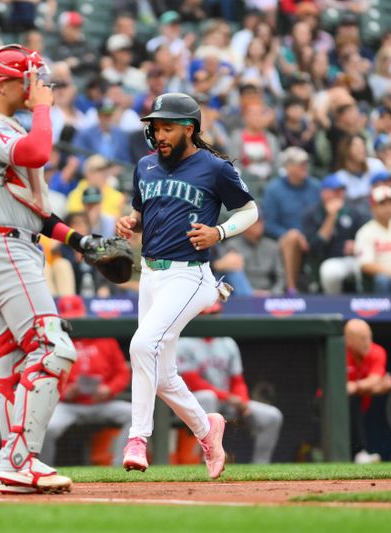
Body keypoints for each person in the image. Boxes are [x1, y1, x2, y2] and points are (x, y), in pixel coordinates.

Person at [0, 44, 105, 494]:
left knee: (14, 366)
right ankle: (20, 459)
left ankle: (15, 465)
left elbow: (35, 213)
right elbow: (38, 152)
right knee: (54, 349)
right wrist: (45, 109)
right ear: (2, 85)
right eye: (27, 77)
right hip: (4, 249)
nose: (35, 84)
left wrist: (79, 241)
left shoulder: (4, 127)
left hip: (12, 245)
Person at [115, 92, 259, 478]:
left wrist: (220, 231)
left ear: (189, 129)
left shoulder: (214, 168)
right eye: (155, 127)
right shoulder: (145, 165)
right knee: (160, 374)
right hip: (151, 274)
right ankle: (206, 429)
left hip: (190, 274)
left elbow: (250, 209)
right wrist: (129, 223)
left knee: (143, 345)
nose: (158, 134)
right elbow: (140, 210)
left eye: (166, 127)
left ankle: (137, 438)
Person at [177, 312, 283, 464]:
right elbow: (193, 382)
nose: (213, 318)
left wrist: (243, 401)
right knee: (208, 396)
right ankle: (211, 453)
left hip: (227, 403)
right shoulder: (184, 342)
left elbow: (237, 381)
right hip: (195, 403)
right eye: (208, 314)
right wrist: (228, 397)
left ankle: (261, 466)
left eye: (215, 313)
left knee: (272, 417)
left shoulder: (227, 342)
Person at [40, 295, 132, 467]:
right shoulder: (54, 343)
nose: (74, 323)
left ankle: (120, 467)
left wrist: (109, 390)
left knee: (136, 415)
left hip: (102, 402)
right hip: (68, 406)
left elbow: (122, 373)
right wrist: (66, 392)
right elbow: (45, 378)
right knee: (48, 427)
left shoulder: (104, 338)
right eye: (69, 318)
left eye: (77, 317)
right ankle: (43, 469)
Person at [262, 147, 321, 293]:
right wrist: (295, 235)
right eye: (299, 164)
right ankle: (291, 289)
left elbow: (321, 215)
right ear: (288, 166)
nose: (304, 167)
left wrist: (308, 236)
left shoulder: (315, 186)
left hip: (313, 236)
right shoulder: (274, 189)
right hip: (285, 238)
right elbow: (269, 225)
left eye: (305, 163)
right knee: (293, 236)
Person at [303, 175, 368, 294]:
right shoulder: (313, 214)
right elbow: (314, 247)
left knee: (366, 267)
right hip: (326, 261)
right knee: (330, 271)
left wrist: (357, 246)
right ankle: (333, 302)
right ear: (324, 193)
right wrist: (331, 216)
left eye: (341, 191)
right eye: (335, 191)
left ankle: (365, 301)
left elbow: (365, 236)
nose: (339, 194)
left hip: (352, 259)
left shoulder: (353, 211)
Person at [344, 318, 391, 464]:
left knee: (355, 399)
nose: (367, 342)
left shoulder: (377, 351)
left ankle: (359, 454)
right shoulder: (338, 350)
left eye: (369, 337)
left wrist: (357, 386)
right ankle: (359, 453)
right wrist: (373, 387)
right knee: (351, 400)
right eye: (362, 339)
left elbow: (375, 380)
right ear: (349, 341)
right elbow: (342, 389)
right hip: (327, 405)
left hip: (359, 403)